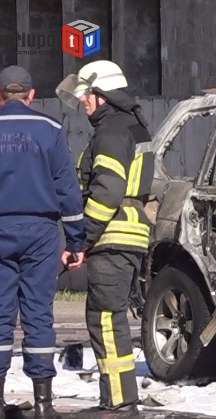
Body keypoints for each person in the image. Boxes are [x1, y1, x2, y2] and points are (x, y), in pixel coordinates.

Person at [56, 60, 153, 413]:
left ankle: (118, 401)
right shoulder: (133, 126)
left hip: (113, 236)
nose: (83, 101)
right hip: (129, 234)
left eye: (88, 95)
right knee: (111, 318)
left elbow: (108, 192)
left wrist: (82, 239)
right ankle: (118, 397)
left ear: (103, 95)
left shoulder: (111, 131)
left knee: (107, 320)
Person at [0, 65, 85, 418]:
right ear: (32, 95)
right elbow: (68, 189)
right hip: (41, 233)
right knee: (38, 313)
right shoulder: (50, 130)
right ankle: (43, 403)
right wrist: (77, 241)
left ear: (0, 95)